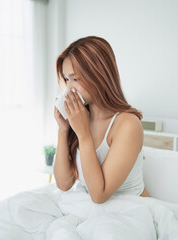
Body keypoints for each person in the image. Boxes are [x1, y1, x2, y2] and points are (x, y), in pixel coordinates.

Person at [53, 36, 151, 204]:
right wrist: (63, 129)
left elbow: (99, 195)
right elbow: (63, 184)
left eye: (75, 79)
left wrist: (84, 135)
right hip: (88, 211)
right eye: (66, 79)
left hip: (130, 210)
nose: (69, 88)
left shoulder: (127, 124)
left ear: (99, 76)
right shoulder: (79, 119)